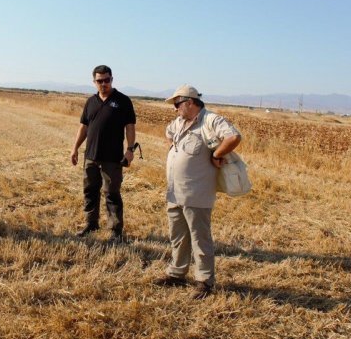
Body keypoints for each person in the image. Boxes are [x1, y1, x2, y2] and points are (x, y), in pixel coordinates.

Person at [154, 85, 241, 299]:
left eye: (177, 104)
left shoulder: (211, 120)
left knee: (199, 238)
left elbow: (234, 137)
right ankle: (177, 273)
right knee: (178, 236)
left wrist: (217, 154)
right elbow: (169, 133)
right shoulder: (179, 122)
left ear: (189, 102)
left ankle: (205, 281)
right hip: (175, 192)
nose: (175, 109)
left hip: (196, 193)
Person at [70, 65, 137, 244]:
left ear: (112, 80)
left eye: (107, 80)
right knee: (90, 190)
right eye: (100, 81)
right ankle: (91, 224)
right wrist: (75, 148)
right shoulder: (90, 102)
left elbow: (130, 127)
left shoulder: (122, 101)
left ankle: (116, 230)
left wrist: (130, 150)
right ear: (94, 82)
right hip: (91, 156)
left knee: (111, 193)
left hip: (113, 158)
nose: (104, 84)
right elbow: (83, 127)